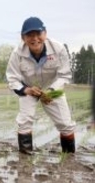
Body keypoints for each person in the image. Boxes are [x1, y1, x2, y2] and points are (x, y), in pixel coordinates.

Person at [6, 16, 76, 154]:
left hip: (52, 88)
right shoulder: (17, 54)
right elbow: (12, 78)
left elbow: (64, 75)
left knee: (65, 124)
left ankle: (69, 158)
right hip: (29, 88)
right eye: (29, 35)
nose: (34, 38)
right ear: (23, 37)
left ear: (45, 33)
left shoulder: (58, 49)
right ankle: (25, 159)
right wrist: (26, 90)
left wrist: (50, 91)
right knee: (24, 121)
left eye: (38, 34)